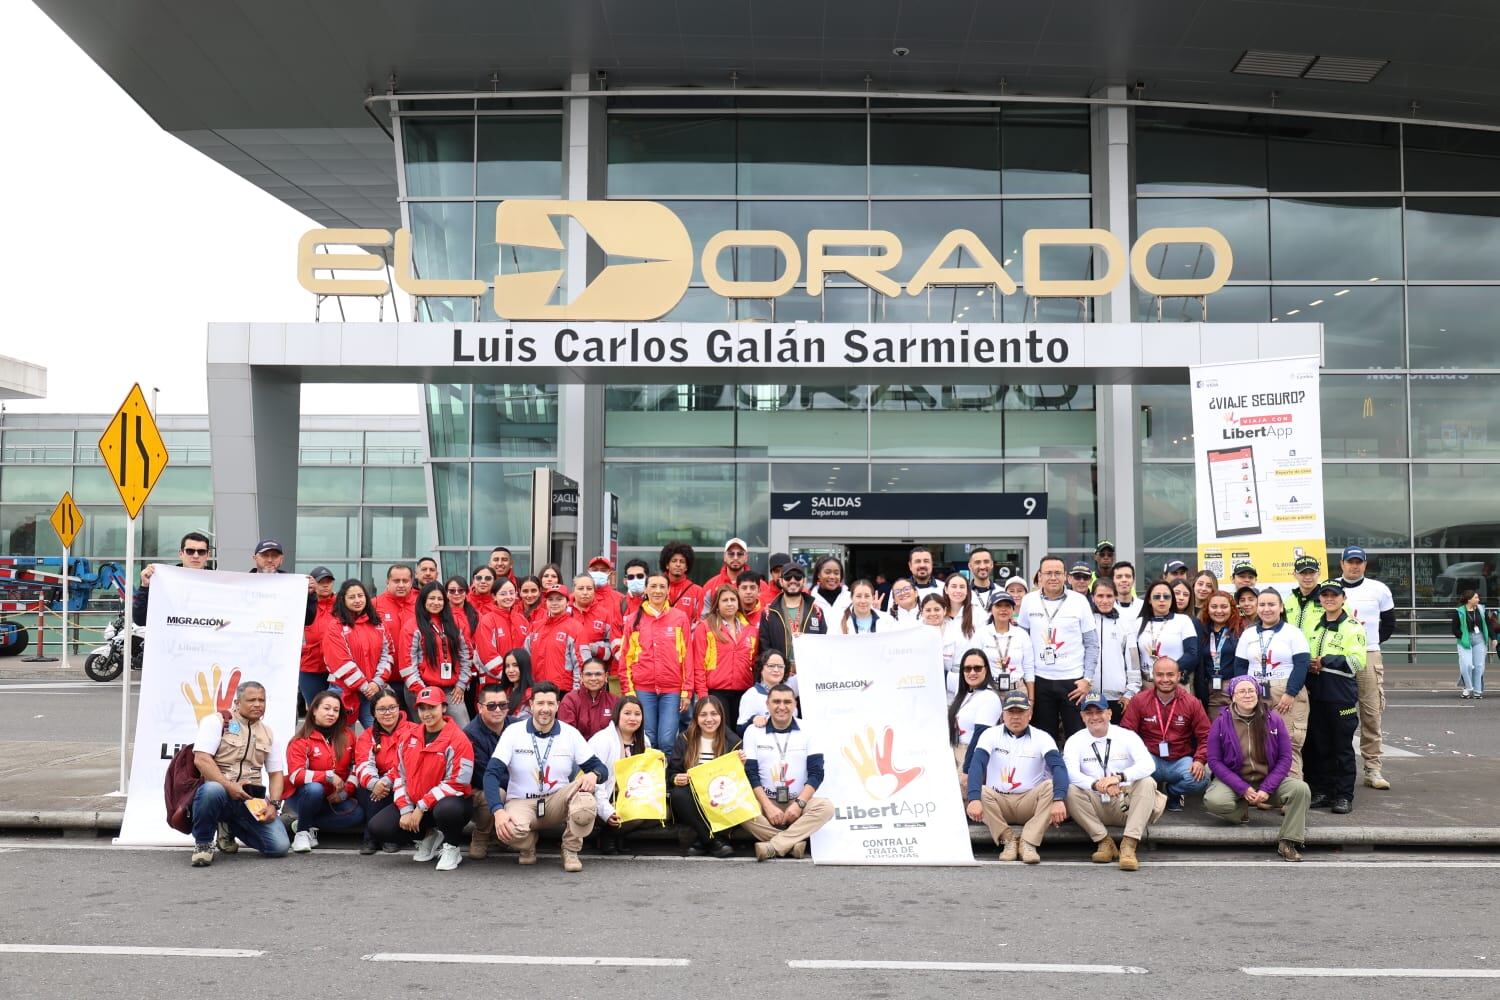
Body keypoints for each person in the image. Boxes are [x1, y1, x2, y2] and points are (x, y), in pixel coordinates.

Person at [484, 682, 609, 872]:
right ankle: (528, 844)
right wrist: (498, 811)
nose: (545, 709)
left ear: (558, 705)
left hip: (556, 801)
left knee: (585, 800)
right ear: (531, 704)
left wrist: (594, 774)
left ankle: (570, 850)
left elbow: (600, 768)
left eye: (550, 704)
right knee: (508, 833)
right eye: (540, 703)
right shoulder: (513, 732)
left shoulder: (570, 733)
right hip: (521, 802)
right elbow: (491, 773)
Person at [364, 686, 474, 872]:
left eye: (432, 707)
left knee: (447, 811)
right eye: (422, 708)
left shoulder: (459, 739)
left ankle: (452, 846)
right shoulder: (408, 736)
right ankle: (428, 836)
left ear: (444, 708)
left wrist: (422, 806)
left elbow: (458, 782)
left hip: (450, 803)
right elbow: (399, 775)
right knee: (378, 827)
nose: (427, 713)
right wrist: (406, 809)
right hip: (416, 804)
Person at [1204, 675, 1312, 863]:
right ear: (1233, 696)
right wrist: (1242, 788)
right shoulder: (1221, 722)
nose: (1247, 695)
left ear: (1258, 693)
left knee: (1301, 789)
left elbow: (1285, 758)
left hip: (1267, 779)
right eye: (1242, 691)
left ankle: (1288, 841)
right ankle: (1242, 810)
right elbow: (1214, 761)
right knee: (1214, 801)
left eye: (1251, 690)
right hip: (1235, 780)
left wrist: (1266, 789)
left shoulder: (1274, 719)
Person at [188, 681, 290, 866]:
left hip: (250, 801)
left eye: (262, 700)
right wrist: (229, 786)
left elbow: (276, 774)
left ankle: (229, 826)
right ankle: (203, 843)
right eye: (251, 700)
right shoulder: (216, 721)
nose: (258, 704)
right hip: (221, 793)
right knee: (211, 790)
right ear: (237, 702)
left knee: (280, 847)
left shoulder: (268, 733)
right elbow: (201, 759)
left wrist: (274, 805)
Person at [965, 690, 1069, 864]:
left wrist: (1059, 799)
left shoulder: (1042, 737)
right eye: (1010, 712)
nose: (1015, 717)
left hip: (1029, 802)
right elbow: (977, 765)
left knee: (1051, 787)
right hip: (998, 802)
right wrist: (973, 798)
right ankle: (1008, 840)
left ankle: (1028, 842)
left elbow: (1059, 767)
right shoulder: (989, 735)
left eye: (1020, 712)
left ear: (1030, 714)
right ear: (1002, 715)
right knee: (980, 792)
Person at [1063, 693, 1164, 871]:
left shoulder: (1127, 736)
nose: (1094, 717)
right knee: (1070, 789)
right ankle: (1104, 842)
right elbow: (1070, 773)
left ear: (1109, 713)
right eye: (1089, 713)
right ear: (1082, 716)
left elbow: (1148, 765)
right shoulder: (1074, 740)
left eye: (1099, 711)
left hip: (1125, 802)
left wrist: (1118, 778)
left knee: (1147, 782)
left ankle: (1129, 845)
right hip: (1094, 802)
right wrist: (1096, 784)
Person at [740, 684, 835, 860]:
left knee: (826, 807)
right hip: (765, 802)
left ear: (795, 705)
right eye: (776, 701)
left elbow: (817, 773)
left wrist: (798, 804)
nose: (782, 706)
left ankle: (774, 846)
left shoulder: (809, 730)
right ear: (767, 704)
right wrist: (767, 807)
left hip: (798, 802)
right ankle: (792, 844)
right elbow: (751, 773)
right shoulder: (753, 731)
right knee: (738, 807)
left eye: (787, 702)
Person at [1232, 588, 1311, 780]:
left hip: (1286, 693)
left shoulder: (1293, 633)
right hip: (1255, 693)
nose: (1266, 609)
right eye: (1262, 604)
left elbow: (1302, 665)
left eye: (1271, 604)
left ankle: (1292, 796)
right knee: (1259, 745)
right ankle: (1265, 793)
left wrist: (1290, 692)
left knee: (1289, 744)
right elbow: (1240, 667)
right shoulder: (1248, 634)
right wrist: (1243, 695)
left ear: (1281, 607)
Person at [1018, 556, 1100, 742]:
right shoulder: (1029, 601)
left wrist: (1087, 679)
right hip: (1040, 681)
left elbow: (1092, 643)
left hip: (1073, 681)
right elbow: (1021, 642)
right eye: (1048, 573)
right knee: (1044, 738)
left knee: (1077, 737)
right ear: (1039, 576)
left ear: (1066, 576)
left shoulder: (1079, 601)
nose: (1053, 577)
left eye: (1057, 573)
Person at [1336, 546, 1397, 790]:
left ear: (1365, 564)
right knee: (1337, 712)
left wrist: (1369, 643)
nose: (1354, 566)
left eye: (1358, 562)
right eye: (1350, 562)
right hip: (1338, 655)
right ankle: (1334, 768)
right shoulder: (1330, 588)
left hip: (1368, 655)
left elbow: (1389, 623)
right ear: (1341, 564)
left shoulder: (1379, 589)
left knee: (1371, 712)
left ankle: (1373, 768)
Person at [1305, 581, 1367, 814]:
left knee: (1341, 748)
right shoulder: (1314, 625)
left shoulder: (1352, 627)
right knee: (1319, 746)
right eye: (1325, 595)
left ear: (1343, 598)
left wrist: (1324, 661)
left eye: (1334, 595)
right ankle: (1323, 791)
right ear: (1320, 599)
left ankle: (1343, 796)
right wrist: (1310, 664)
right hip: (1317, 694)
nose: (1329, 599)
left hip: (1340, 696)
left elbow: (1356, 662)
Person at [1121, 657, 1212, 811]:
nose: (1165, 679)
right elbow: (1126, 734)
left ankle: (1172, 792)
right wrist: (1135, 759)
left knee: (1200, 780)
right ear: (1153, 675)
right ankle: (1151, 794)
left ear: (1179, 675)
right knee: (1131, 771)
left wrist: (1199, 760)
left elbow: (1206, 736)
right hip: (1150, 758)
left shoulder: (1192, 703)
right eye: (1160, 675)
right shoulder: (1139, 700)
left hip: (1180, 759)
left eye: (1170, 674)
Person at [285, 691, 363, 853]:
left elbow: (357, 767)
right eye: (326, 708)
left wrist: (345, 793)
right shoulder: (300, 740)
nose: (331, 714)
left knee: (357, 815)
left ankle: (304, 822)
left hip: (333, 798)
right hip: (305, 795)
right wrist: (327, 776)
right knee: (315, 788)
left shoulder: (348, 735)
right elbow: (295, 775)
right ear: (313, 710)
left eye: (336, 710)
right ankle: (302, 833)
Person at [622, 574, 693, 750]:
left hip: (672, 690)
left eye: (662, 587)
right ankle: (650, 777)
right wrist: (628, 690)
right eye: (653, 586)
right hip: (643, 688)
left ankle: (668, 777)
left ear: (668, 590)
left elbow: (687, 657)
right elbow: (626, 658)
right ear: (646, 590)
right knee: (648, 739)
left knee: (668, 740)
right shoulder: (633, 619)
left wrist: (686, 691)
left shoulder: (680, 617)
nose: (658, 591)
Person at [668, 695, 741, 857]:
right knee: (678, 794)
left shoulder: (733, 742)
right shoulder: (685, 739)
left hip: (721, 797)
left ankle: (702, 841)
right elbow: (671, 772)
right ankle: (713, 841)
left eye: (714, 714)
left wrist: (740, 765)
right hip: (693, 799)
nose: (709, 719)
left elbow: (739, 780)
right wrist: (675, 778)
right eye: (703, 715)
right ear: (696, 717)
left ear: (721, 716)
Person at [398, 581, 474, 726]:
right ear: (423, 601)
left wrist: (461, 684)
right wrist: (423, 691)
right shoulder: (412, 626)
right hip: (421, 689)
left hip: (451, 690)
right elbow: (407, 665)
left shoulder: (456, 623)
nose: (436, 602)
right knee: (427, 733)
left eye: (440, 599)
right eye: (431, 598)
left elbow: (466, 656)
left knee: (463, 730)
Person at [353, 688, 417, 854]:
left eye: (392, 708)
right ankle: (374, 837)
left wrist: (386, 781)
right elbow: (362, 764)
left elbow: (408, 765)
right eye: (381, 709)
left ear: (399, 708)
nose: (387, 713)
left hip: (404, 780)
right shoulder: (367, 735)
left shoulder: (414, 730)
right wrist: (375, 783)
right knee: (369, 789)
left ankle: (385, 836)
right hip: (378, 785)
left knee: (390, 787)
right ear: (373, 712)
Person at [323, 578, 393, 730]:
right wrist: (365, 687)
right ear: (343, 599)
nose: (357, 600)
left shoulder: (378, 624)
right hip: (343, 691)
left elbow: (387, 655)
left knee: (379, 736)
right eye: (352, 597)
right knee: (343, 741)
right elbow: (340, 662)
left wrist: (376, 683)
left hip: (373, 691)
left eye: (360, 596)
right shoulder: (335, 626)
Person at [590, 694, 652, 854]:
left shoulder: (644, 741)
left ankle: (611, 834)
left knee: (659, 812)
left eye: (637, 714)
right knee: (634, 815)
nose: (633, 718)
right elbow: (596, 784)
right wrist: (607, 811)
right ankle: (610, 835)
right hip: (602, 797)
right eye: (627, 713)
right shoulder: (602, 740)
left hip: (630, 796)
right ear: (617, 714)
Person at [695, 585, 758, 725]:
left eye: (733, 599)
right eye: (724, 600)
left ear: (738, 603)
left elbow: (755, 662)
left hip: (744, 691)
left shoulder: (751, 630)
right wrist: (703, 695)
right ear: (717, 604)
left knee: (741, 734)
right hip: (716, 691)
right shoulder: (705, 628)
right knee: (723, 736)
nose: (729, 603)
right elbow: (698, 664)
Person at [463, 682, 509, 859]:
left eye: (503, 705)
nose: (498, 710)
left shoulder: (516, 728)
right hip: (480, 792)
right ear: (479, 708)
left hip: (512, 788)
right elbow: (485, 777)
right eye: (491, 706)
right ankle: (481, 834)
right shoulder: (469, 734)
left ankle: (500, 833)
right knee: (497, 791)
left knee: (518, 842)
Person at [756, 563, 827, 678]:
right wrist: (779, 669)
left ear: (804, 581)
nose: (793, 580)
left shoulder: (817, 611)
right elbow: (764, 648)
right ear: (781, 581)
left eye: (798, 577)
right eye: (788, 577)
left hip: (808, 675)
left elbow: (823, 645)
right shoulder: (769, 612)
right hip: (779, 676)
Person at [133, 530, 212, 626]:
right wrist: (145, 586)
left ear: (208, 555)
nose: (195, 556)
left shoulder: (218, 584)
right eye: (190, 551)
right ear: (181, 553)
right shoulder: (162, 580)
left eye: (201, 552)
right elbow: (140, 619)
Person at [1137, 580, 1201, 694]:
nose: (1162, 599)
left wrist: (1167, 673)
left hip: (1175, 683)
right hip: (1147, 684)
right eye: (1157, 596)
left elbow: (1192, 654)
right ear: (1149, 600)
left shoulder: (1183, 620)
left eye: (1166, 596)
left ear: (1172, 600)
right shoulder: (1138, 623)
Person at [1090, 580, 1140, 721]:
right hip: (1088, 696)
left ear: (1115, 597)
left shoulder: (1125, 624)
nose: (1104, 600)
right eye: (1100, 596)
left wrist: (1130, 693)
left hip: (1117, 698)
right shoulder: (1085, 622)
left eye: (1109, 596)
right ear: (1093, 597)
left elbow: (1133, 661)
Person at [525, 584, 587, 694]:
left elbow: (581, 663)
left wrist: (576, 693)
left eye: (559, 599)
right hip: (536, 688)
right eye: (550, 599)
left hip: (563, 690)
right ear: (546, 602)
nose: (554, 603)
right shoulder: (535, 626)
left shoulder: (576, 628)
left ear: (567, 602)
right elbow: (525, 657)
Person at [248, 538, 320, 626]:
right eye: (265, 555)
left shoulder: (294, 585)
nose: (270, 560)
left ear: (281, 559)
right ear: (255, 558)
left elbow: (308, 620)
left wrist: (310, 595)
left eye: (274, 556)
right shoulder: (241, 585)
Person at [950, 648, 1001, 771]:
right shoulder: (963, 692)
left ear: (986, 670)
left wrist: (967, 770)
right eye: (967, 668)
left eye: (977, 668)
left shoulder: (990, 698)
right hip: (953, 753)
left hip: (970, 756)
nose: (972, 672)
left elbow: (980, 738)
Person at [297, 566, 338, 715]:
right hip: (310, 668)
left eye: (329, 581)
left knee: (339, 711)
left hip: (336, 669)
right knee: (316, 712)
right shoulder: (303, 604)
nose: (326, 585)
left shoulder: (342, 603)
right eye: (321, 582)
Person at [1196, 590, 1243, 712]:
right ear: (1207, 609)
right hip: (1210, 689)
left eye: (1224, 607)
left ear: (1232, 609)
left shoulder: (1240, 631)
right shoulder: (1202, 631)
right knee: (1214, 727)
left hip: (1233, 688)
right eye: (1214, 607)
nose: (1219, 611)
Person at [980, 592, 1033, 698]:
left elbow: (1029, 669)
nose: (1003, 610)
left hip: (1017, 690)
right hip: (990, 691)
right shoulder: (981, 633)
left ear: (1013, 610)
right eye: (998, 606)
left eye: (1007, 606)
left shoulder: (1022, 634)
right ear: (991, 609)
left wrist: (1031, 699)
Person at [559, 657, 619, 740]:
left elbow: (619, 734)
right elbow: (567, 735)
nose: (593, 678)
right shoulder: (570, 700)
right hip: (577, 751)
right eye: (588, 674)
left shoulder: (614, 701)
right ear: (581, 677)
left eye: (598, 674)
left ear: (606, 676)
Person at [738, 649, 793, 733]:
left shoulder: (789, 691)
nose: (776, 670)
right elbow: (740, 730)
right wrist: (753, 720)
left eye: (780, 666)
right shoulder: (751, 695)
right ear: (761, 668)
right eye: (771, 666)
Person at [570, 574, 616, 673]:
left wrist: (594, 648)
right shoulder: (565, 612)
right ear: (573, 590)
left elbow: (611, 649)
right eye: (581, 588)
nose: (585, 592)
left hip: (594, 673)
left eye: (589, 588)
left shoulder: (604, 614)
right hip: (567, 672)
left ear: (594, 591)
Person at [1453, 588, 1493, 699]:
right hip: (1465, 640)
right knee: (1467, 665)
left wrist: (1493, 638)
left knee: (1479, 666)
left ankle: (1477, 691)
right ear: (1469, 599)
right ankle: (1468, 687)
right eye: (1476, 597)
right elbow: (1454, 629)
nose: (1478, 599)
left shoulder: (1481, 609)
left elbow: (1488, 625)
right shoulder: (1459, 611)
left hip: (1479, 638)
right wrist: (1463, 637)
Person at [701, 537, 751, 611]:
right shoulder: (710, 586)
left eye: (740, 554)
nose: (735, 558)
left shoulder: (760, 586)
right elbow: (703, 618)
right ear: (724, 557)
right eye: (731, 554)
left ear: (746, 557)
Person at [660, 541, 703, 617]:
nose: (678, 564)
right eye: (674, 561)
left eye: (682, 561)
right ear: (667, 565)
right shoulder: (656, 587)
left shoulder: (697, 591)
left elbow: (699, 621)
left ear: (686, 567)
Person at [1285, 555, 1325, 638]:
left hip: (1318, 650)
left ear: (1319, 573)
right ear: (1294, 574)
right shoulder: (1287, 601)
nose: (1308, 577)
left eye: (1311, 572)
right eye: (1303, 573)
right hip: (1293, 650)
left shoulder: (1330, 599)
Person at [373, 564, 417, 635]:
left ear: (411, 583)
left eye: (405, 581)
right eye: (396, 581)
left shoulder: (420, 603)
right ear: (387, 582)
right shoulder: (375, 604)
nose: (401, 585)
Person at [809, 555, 851, 623]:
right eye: (827, 572)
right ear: (818, 574)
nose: (832, 576)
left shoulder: (850, 598)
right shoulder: (809, 599)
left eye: (836, 573)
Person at [498, 649, 534, 723]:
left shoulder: (531, 694)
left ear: (524, 667)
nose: (510, 670)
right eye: (507, 666)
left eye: (515, 665)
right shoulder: (504, 691)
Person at [968, 547, 1002, 612]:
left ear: (991, 564)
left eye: (986, 562)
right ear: (970, 566)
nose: (982, 567)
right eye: (977, 562)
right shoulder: (964, 594)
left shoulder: (1001, 592)